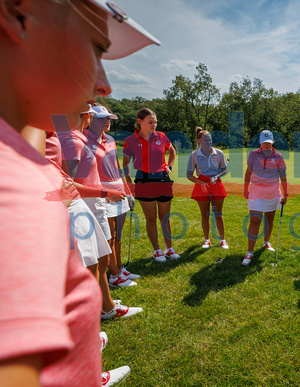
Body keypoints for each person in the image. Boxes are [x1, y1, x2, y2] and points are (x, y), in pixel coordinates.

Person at [0, 0, 159, 385]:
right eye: (96, 48)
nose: (104, 83)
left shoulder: (20, 160)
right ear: (17, 12)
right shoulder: (13, 188)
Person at [87, 105, 141, 286]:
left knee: (117, 236)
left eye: (109, 118)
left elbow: (117, 167)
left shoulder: (109, 139)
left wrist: (128, 191)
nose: (107, 121)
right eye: (103, 118)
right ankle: (114, 275)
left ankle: (118, 267)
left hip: (119, 192)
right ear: (91, 119)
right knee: (107, 238)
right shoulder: (85, 140)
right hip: (105, 195)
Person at [123, 108, 180, 262]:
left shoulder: (161, 136)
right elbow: (126, 163)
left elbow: (172, 152)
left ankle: (169, 248)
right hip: (144, 180)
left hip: (162, 179)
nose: (154, 125)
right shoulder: (130, 140)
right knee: (151, 219)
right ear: (139, 122)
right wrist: (128, 180)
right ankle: (157, 251)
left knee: (165, 216)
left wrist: (170, 166)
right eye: (150, 122)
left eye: (155, 122)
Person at [243, 130, 288, 266]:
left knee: (269, 219)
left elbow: (283, 176)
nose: (267, 146)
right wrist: (245, 188)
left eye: (269, 143)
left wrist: (285, 193)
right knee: (255, 220)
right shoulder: (253, 154)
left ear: (272, 143)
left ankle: (266, 242)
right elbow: (248, 173)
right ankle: (250, 252)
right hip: (256, 192)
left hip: (273, 192)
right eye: (264, 143)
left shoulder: (278, 156)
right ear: (260, 143)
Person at [187, 127, 229, 249]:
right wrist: (201, 183)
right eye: (205, 140)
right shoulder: (194, 155)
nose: (208, 142)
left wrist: (217, 176)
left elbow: (224, 169)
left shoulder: (219, 153)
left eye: (210, 140)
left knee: (219, 214)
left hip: (216, 184)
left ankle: (222, 240)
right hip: (202, 185)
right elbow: (189, 175)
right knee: (205, 214)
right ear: (199, 140)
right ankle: (206, 239)